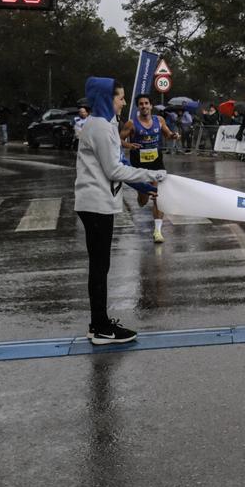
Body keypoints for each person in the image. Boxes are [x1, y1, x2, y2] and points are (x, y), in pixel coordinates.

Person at [75, 77, 166, 345]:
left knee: (100, 266)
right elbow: (113, 170)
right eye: (120, 98)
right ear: (106, 99)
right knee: (100, 266)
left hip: (98, 202)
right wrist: (154, 175)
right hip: (96, 204)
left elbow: (119, 162)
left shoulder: (105, 125)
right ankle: (101, 328)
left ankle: (99, 324)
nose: (124, 102)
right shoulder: (100, 127)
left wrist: (142, 184)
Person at [120, 94, 179, 244]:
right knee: (144, 199)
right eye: (141, 104)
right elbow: (117, 140)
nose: (144, 106)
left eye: (147, 103)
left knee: (159, 196)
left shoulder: (159, 120)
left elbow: (167, 134)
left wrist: (173, 135)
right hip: (139, 164)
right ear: (138, 107)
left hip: (157, 162)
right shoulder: (131, 124)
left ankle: (157, 231)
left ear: (151, 106)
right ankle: (141, 195)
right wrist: (129, 145)